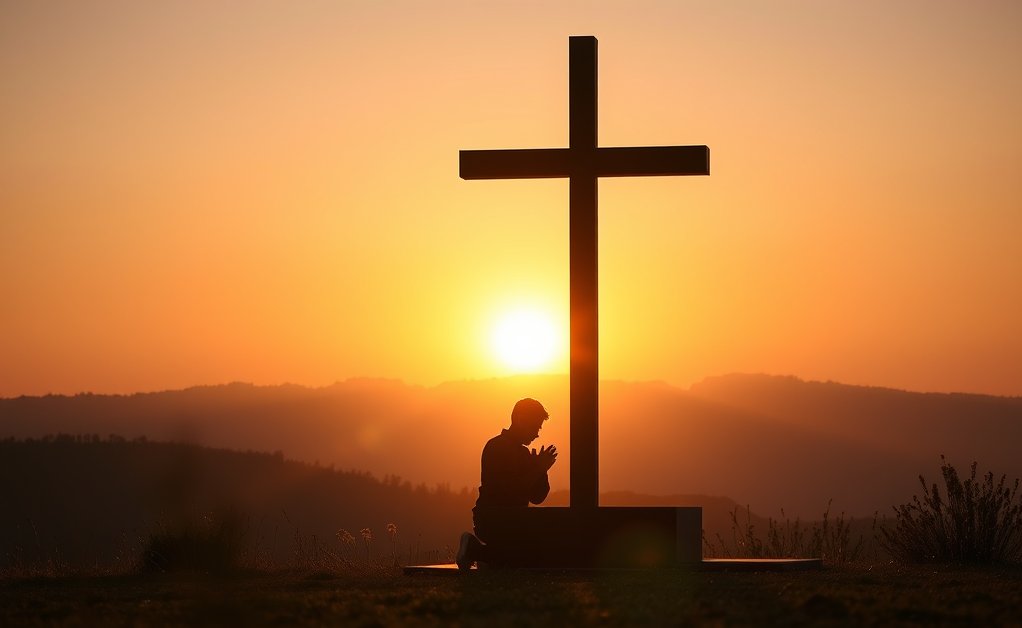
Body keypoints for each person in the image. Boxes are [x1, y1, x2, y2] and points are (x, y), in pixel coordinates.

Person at [456, 398, 557, 570]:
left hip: (514, 521)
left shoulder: (523, 453)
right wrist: (537, 469)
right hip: (494, 519)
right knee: (525, 559)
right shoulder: (497, 448)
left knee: (533, 555)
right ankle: (475, 550)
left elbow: (537, 497)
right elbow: (510, 490)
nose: (537, 433)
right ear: (520, 419)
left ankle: (488, 556)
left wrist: (541, 471)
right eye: (535, 426)